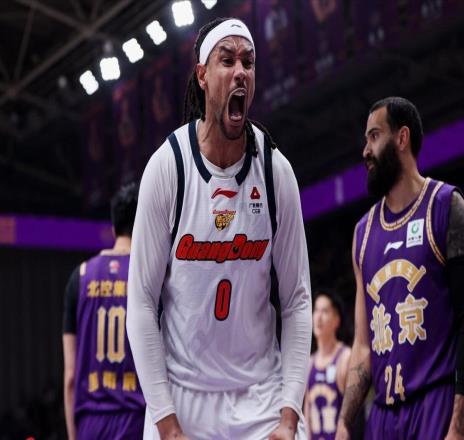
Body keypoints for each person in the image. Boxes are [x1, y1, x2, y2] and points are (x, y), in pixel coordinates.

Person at [126, 17, 312, 440]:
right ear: (202, 76)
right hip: (183, 397)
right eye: (227, 61)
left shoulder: (275, 170)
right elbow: (140, 303)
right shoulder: (168, 167)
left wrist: (289, 417)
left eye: (249, 62)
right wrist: (168, 425)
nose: (240, 71)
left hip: (261, 396)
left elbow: (298, 300)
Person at [335, 97, 464, 439]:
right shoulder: (362, 232)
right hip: (383, 416)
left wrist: (459, 424)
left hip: (435, 405)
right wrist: (344, 422)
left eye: (374, 136)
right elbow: (363, 345)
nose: (365, 150)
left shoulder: (445, 205)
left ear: (402, 138)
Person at [62, 182, 145, 439]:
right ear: (144, 224)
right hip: (138, 420)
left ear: (113, 227)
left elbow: (71, 376)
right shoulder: (149, 276)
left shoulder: (80, 277)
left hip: (91, 424)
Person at [305, 289, 351, 439]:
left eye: (324, 311)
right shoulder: (309, 363)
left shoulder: (345, 357)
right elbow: (307, 415)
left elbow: (356, 415)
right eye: (316, 310)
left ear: (336, 320)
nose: (318, 317)